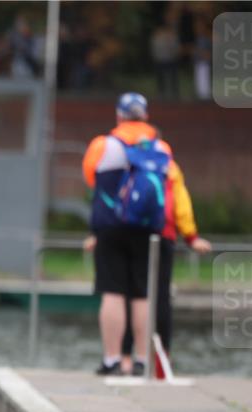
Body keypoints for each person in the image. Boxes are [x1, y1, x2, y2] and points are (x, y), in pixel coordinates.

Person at [86, 159, 213, 375]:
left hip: (119, 232)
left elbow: (102, 193)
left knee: (122, 294)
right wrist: (191, 236)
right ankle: (157, 361)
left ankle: (123, 359)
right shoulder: (167, 165)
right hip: (159, 234)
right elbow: (180, 203)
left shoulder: (117, 157)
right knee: (157, 296)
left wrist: (99, 233)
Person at [82, 92, 174, 376]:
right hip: (147, 228)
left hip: (110, 226)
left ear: (119, 116)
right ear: (146, 116)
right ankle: (141, 360)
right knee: (142, 293)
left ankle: (112, 359)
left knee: (112, 291)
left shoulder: (103, 145)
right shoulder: (161, 147)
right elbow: (168, 181)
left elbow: (90, 177)